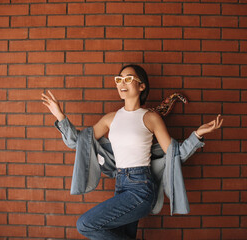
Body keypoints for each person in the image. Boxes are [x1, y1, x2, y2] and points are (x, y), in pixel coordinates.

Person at [42, 64, 223, 240]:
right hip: (120, 185)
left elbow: (174, 154)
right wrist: (60, 117)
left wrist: (196, 136)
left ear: (141, 86)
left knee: (85, 224)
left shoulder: (151, 118)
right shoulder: (110, 119)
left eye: (128, 79)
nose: (122, 83)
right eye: (118, 79)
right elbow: (79, 143)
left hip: (141, 187)